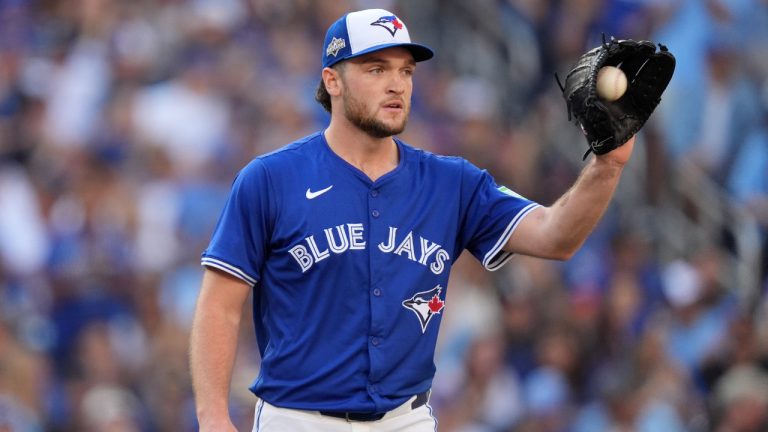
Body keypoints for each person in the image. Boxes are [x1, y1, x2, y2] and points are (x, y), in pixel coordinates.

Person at [189, 8, 637, 432]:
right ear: (333, 81)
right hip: (297, 418)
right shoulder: (271, 179)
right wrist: (213, 417)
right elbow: (219, 305)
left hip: (405, 418)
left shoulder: (452, 182)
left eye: (405, 70)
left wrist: (607, 165)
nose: (397, 85)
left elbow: (555, 236)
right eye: (376, 69)